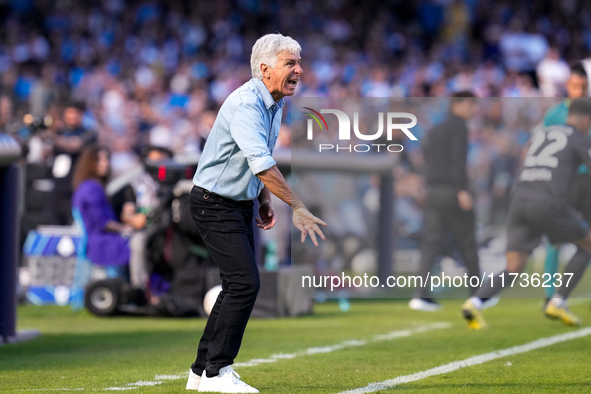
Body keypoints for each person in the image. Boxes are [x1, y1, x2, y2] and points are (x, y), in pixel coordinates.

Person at [185, 33, 327, 393]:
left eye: (299, 62)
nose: (298, 70)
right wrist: (295, 205)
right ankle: (217, 372)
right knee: (246, 283)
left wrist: (262, 198)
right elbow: (263, 163)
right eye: (290, 63)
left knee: (237, 284)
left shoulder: (274, 102)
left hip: (239, 202)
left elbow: (256, 161)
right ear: (265, 69)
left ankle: (202, 372)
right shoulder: (248, 104)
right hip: (213, 201)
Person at [462, 99, 591, 330]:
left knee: (514, 265)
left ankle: (474, 302)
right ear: (586, 120)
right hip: (548, 201)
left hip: (520, 199)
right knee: (588, 244)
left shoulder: (542, 133)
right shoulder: (580, 137)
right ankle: (558, 301)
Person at [409, 92, 481, 312]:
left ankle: (421, 295)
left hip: (432, 191)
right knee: (467, 243)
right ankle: (479, 294)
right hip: (452, 191)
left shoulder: (435, 129)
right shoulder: (459, 128)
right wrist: (463, 189)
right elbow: (458, 160)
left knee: (430, 245)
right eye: (470, 104)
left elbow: (425, 157)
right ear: (457, 105)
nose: (474, 109)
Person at [542, 63, 589, 302]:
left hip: (588, 181)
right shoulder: (554, 114)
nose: (579, 91)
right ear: (567, 86)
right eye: (574, 85)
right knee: (555, 240)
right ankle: (550, 295)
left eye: (583, 86)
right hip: (563, 183)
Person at [71, 145, 148, 290]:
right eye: (99, 160)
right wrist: (124, 228)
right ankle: (140, 289)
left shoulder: (89, 186)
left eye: (106, 159)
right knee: (141, 246)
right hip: (102, 240)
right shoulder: (91, 188)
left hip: (101, 237)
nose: (105, 163)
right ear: (89, 163)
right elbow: (102, 223)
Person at [51, 102, 97, 225]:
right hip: (57, 187)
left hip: (75, 186)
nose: (72, 117)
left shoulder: (88, 134)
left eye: (75, 113)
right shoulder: (59, 132)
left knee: (74, 222)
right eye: (69, 113)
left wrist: (52, 138)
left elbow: (75, 146)